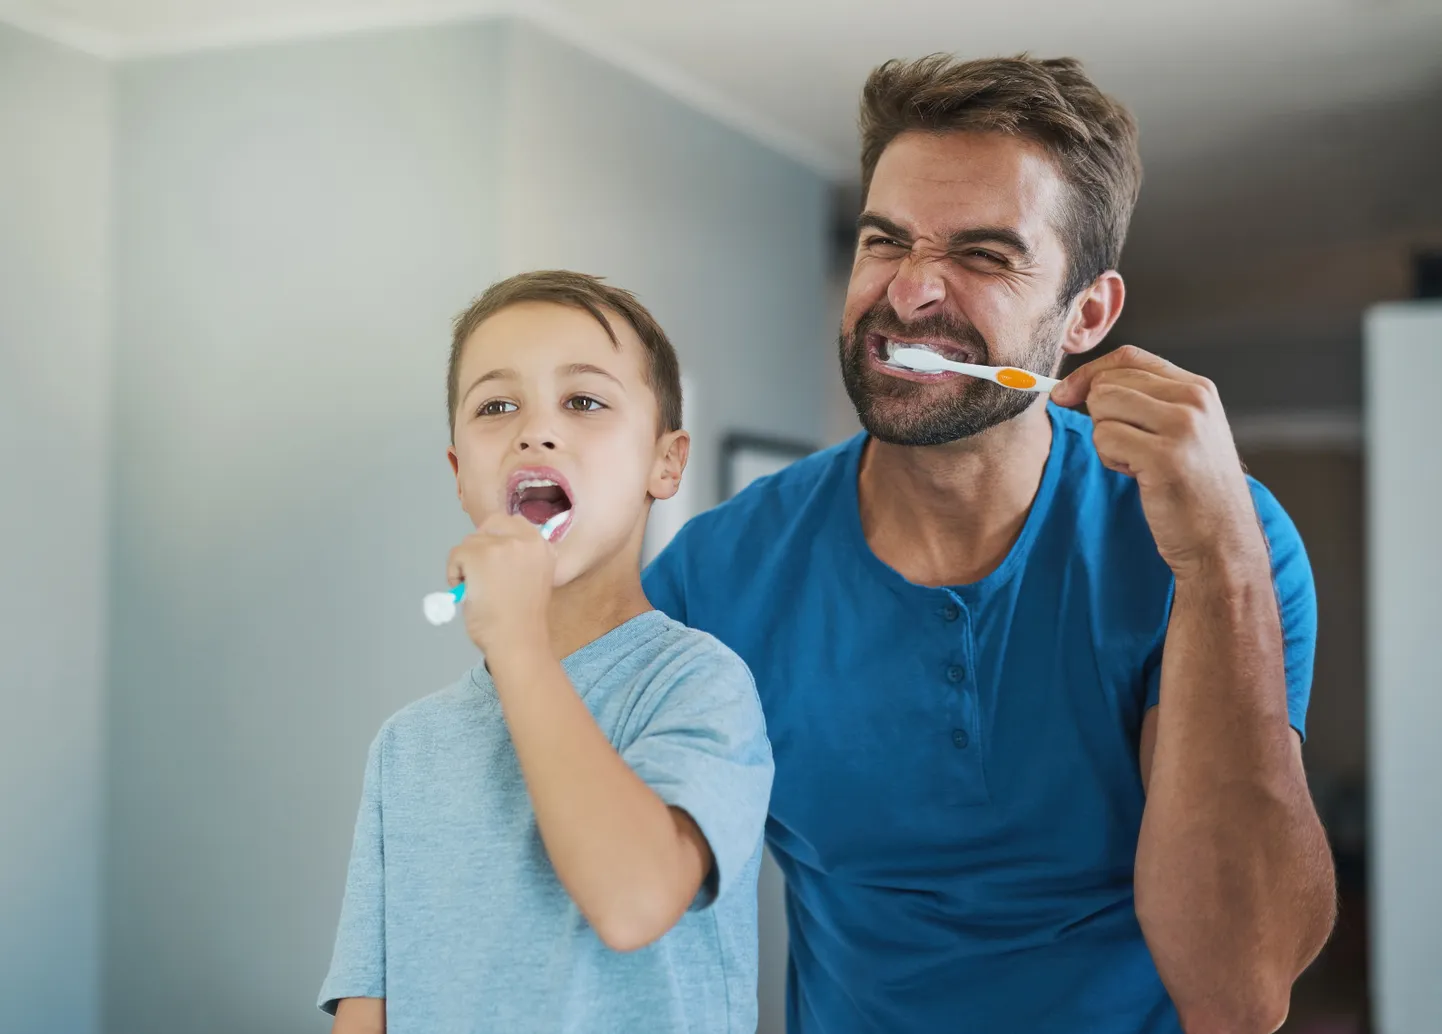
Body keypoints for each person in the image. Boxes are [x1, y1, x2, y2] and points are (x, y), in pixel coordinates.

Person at [644, 55, 1336, 1034]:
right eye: (884, 240)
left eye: (982, 254)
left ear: (1086, 314)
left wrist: (1219, 565)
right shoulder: (711, 575)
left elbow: (1239, 989)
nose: (911, 290)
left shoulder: (1234, 543)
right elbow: (610, 888)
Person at [320, 271, 774, 1033]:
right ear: (462, 474)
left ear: (666, 463)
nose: (535, 431)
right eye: (497, 406)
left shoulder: (699, 686)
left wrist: (521, 645)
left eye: (584, 401)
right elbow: (370, 1008)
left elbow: (633, 903)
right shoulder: (407, 748)